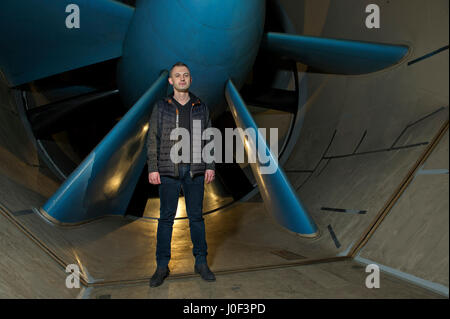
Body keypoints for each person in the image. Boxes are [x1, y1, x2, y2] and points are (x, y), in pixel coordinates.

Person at [146, 62, 216, 287]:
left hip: (195, 170)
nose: (182, 79)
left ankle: (201, 262)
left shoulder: (200, 106)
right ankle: (161, 266)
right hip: (168, 170)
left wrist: (211, 165)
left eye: (186, 75)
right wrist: (153, 168)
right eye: (178, 76)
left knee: (196, 218)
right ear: (171, 81)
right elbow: (152, 139)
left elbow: (209, 138)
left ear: (190, 79)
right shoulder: (162, 106)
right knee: (166, 219)